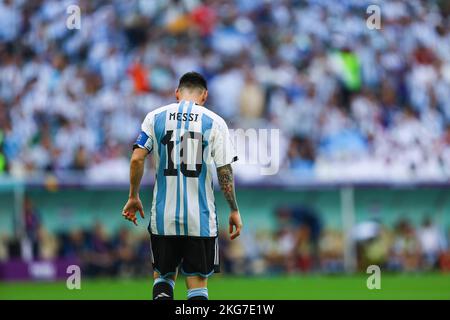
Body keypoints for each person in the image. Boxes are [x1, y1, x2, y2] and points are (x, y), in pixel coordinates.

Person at [121, 71, 243, 300]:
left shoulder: (155, 117)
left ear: (177, 93)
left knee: (163, 277)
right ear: (204, 95)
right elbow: (224, 171)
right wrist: (234, 210)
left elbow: (137, 158)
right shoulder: (215, 122)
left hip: (163, 218)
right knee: (197, 285)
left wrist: (133, 196)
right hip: (201, 219)